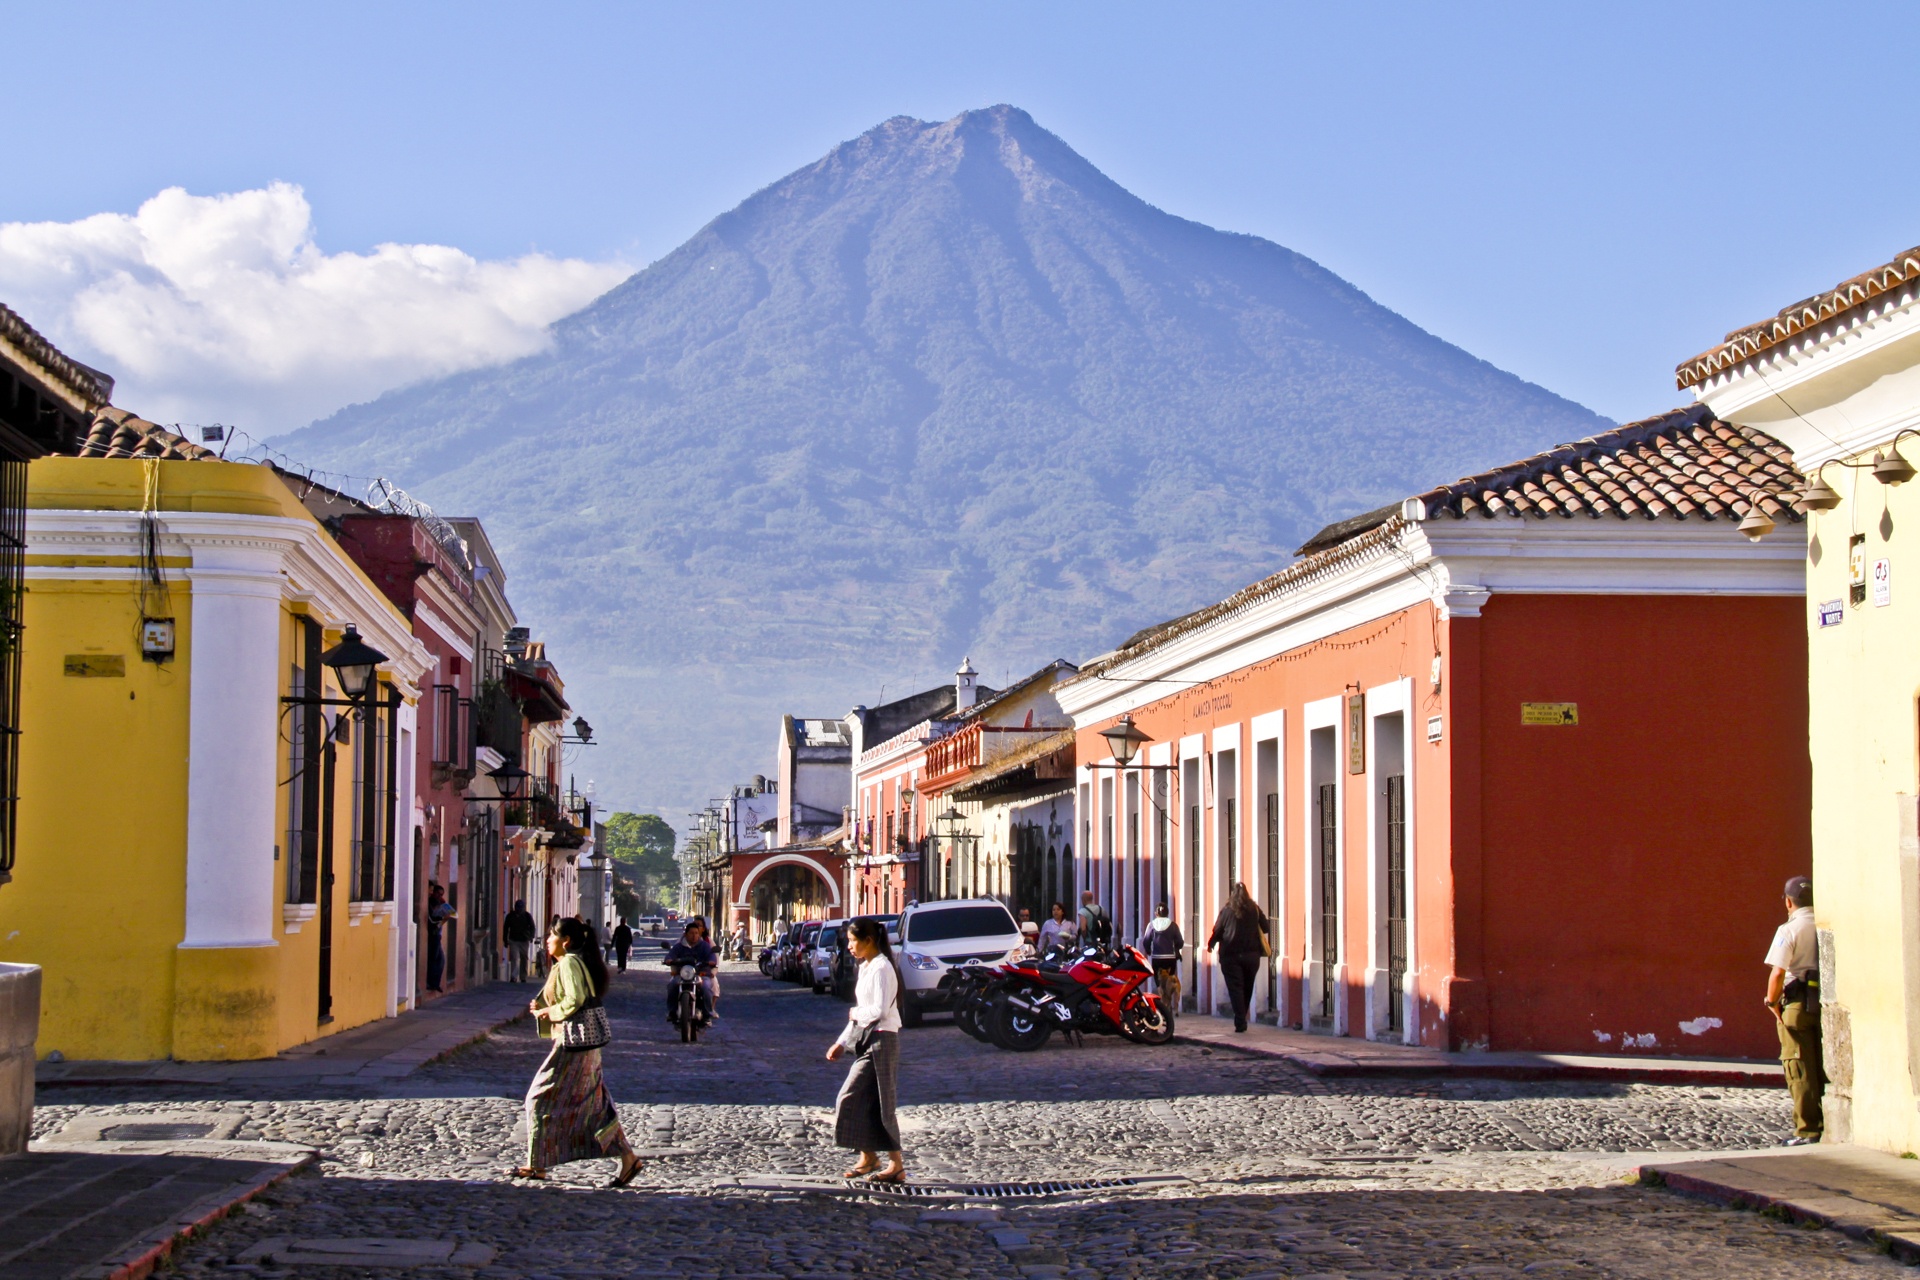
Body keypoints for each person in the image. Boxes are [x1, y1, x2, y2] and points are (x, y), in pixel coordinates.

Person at [510, 917, 643, 1187]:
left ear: (566, 941)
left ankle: (537, 1165)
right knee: (595, 1106)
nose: (547, 940)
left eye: (551, 936)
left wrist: (548, 1011)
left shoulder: (570, 962)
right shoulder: (570, 963)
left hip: (573, 1044)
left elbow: (575, 999)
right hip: (586, 1045)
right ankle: (629, 1159)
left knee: (538, 1097)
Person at [827, 917, 905, 1184]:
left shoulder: (882, 967)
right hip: (867, 1039)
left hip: (883, 1039)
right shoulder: (867, 966)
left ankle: (895, 1164)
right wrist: (841, 1042)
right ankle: (869, 1156)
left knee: (878, 1102)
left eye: (852, 941)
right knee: (861, 1100)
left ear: (868, 941)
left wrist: (855, 1013)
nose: (849, 946)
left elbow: (879, 1011)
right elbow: (859, 1016)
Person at [1766, 874, 1823, 1146]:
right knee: (1820, 1064)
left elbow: (1778, 973)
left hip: (1796, 1002)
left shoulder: (1789, 929)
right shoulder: (1824, 923)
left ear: (1789, 902)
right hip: (1821, 999)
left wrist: (1771, 1001)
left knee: (1798, 1067)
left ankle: (1807, 1128)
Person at [1207, 882, 1270, 1033]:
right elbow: (1266, 927)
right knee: (1247, 987)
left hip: (1231, 956)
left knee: (1235, 988)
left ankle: (1240, 1020)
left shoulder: (1227, 911)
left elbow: (1217, 930)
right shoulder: (1254, 909)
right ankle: (1241, 1018)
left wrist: (1211, 943)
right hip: (1251, 956)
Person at [663, 919, 718, 1025]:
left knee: (706, 987)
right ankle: (672, 1012)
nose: (694, 936)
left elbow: (711, 956)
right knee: (671, 985)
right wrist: (669, 960)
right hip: (682, 974)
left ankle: (707, 1014)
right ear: (686, 934)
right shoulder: (679, 946)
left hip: (700, 974)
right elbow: (671, 954)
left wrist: (711, 962)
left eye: (696, 933)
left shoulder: (704, 946)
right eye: (691, 933)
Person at [1139, 903, 1186, 1010]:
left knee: (1159, 981)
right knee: (1169, 979)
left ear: (1156, 913)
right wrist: (1176, 948)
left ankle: (1162, 1003)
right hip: (1170, 958)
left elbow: (1146, 941)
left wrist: (1148, 950)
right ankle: (1169, 1004)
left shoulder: (1151, 925)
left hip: (1157, 958)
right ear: (1167, 913)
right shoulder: (1173, 925)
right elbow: (1180, 941)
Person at [424, 883, 455, 994]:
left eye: (441, 894)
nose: (439, 895)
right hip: (433, 934)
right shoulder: (429, 903)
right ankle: (431, 983)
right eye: (437, 893)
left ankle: (435, 983)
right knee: (434, 958)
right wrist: (443, 917)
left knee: (440, 960)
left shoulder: (439, 903)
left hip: (438, 934)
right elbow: (432, 920)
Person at [503, 899, 537, 983]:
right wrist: (505, 940)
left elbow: (532, 927)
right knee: (514, 957)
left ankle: (523, 976)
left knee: (524, 958)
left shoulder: (527, 916)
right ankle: (514, 976)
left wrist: (531, 936)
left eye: (521, 907)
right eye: (518, 907)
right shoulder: (510, 916)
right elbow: (506, 928)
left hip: (524, 940)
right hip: (513, 940)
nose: (519, 909)